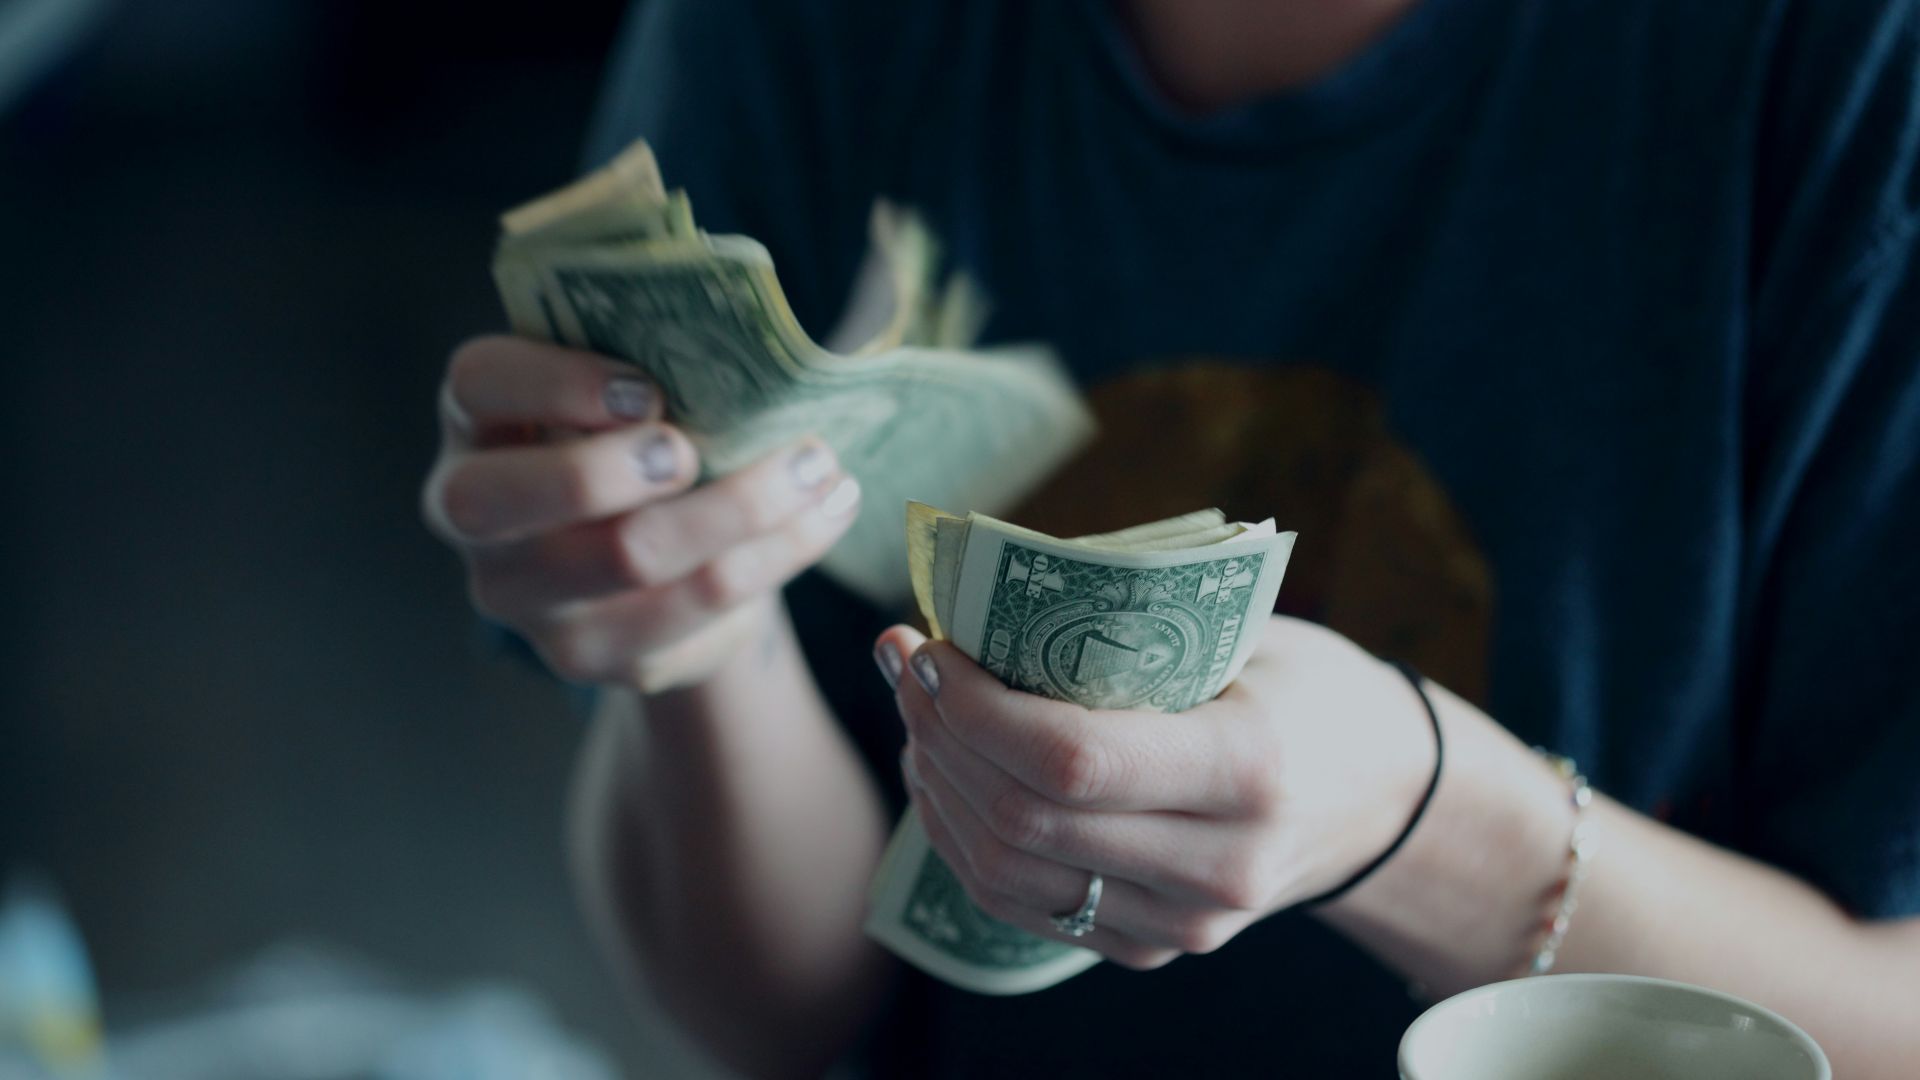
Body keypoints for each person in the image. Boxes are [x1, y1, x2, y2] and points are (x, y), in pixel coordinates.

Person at [420, 1, 1920, 1076]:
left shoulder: (1853, 71)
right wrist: (697, 640)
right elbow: (792, 1020)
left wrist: (1425, 820)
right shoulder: (798, 33)